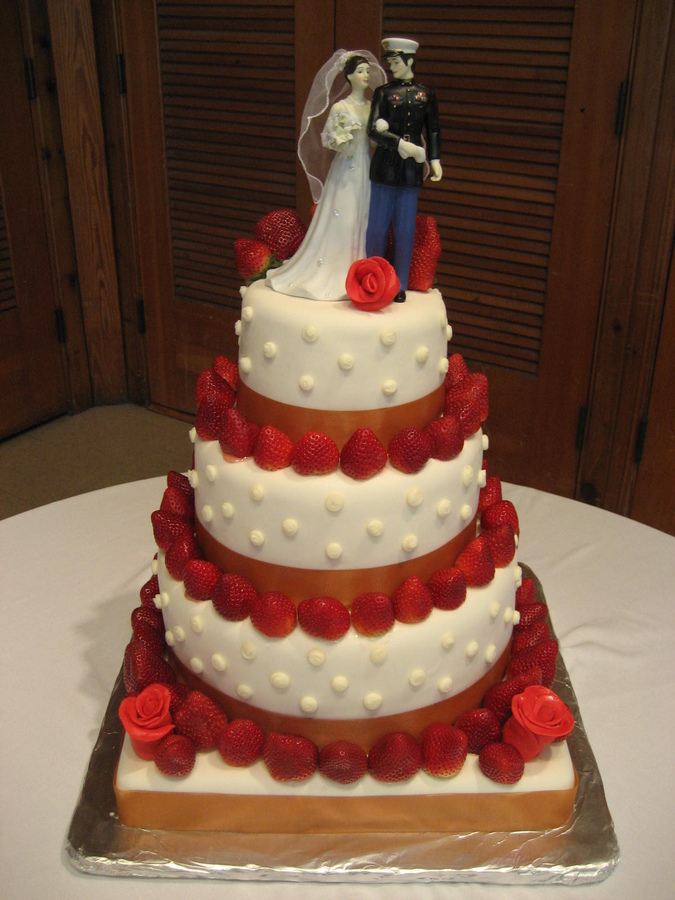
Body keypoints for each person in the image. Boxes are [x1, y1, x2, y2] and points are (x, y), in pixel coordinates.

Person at [266, 51, 386, 300]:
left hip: (366, 169)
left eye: (367, 71)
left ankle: (358, 269)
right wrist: (342, 139)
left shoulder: (373, 106)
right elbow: (329, 140)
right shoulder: (340, 107)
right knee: (344, 216)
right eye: (361, 71)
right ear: (350, 76)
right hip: (345, 170)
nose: (366, 75)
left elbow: (375, 141)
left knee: (362, 217)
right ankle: (336, 270)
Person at [365, 38, 442, 302]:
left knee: (405, 231)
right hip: (384, 171)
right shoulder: (383, 93)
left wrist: (434, 160)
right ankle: (371, 279)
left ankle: (399, 284)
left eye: (396, 62)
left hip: (410, 175)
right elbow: (372, 129)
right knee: (376, 229)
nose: (392, 68)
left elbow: (432, 129)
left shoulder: (425, 94)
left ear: (409, 61)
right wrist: (400, 145)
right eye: (390, 63)